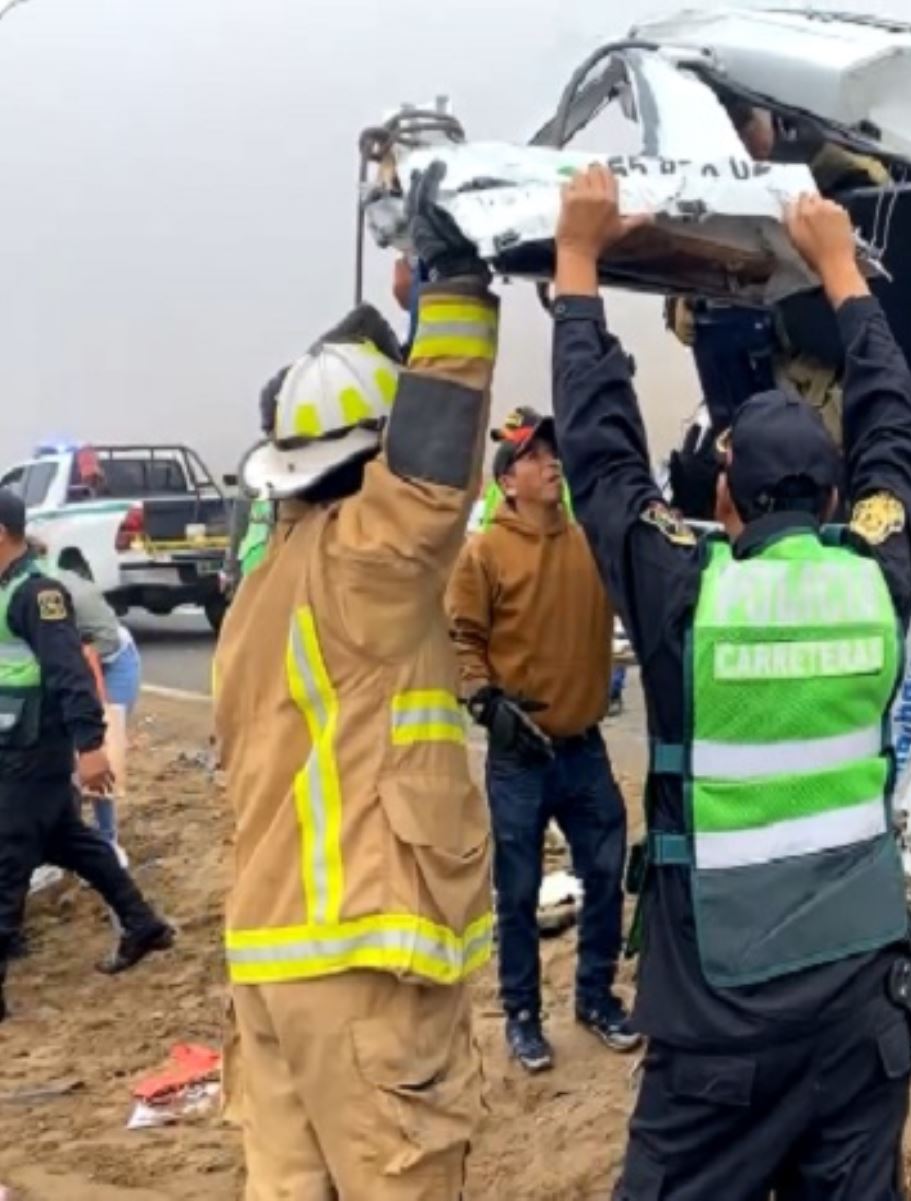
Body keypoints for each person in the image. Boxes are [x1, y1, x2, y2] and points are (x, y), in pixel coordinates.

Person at [550, 165, 911, 1201]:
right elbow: (898, 435)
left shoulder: (691, 603)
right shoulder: (875, 581)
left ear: (726, 500)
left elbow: (600, 463)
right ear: (836, 495)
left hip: (723, 1032)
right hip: (862, 1016)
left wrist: (577, 264)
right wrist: (842, 271)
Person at [212, 177, 500, 1199]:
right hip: (360, 975)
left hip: (273, 962)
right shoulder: (364, 565)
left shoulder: (265, 584)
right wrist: (459, 287)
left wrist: (398, 317)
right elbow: (430, 474)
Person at [446, 409, 638, 1071]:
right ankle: (523, 1015)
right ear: (508, 480)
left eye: (552, 453)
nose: (550, 463)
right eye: (533, 456)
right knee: (520, 887)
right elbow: (461, 639)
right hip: (519, 755)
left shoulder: (589, 543)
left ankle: (596, 995)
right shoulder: (485, 553)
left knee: (608, 871)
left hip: (583, 747)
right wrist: (484, 700)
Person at [0, 492, 175, 1023]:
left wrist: (90, 746)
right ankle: (142, 925)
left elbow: (70, 671)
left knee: (6, 857)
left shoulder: (38, 594)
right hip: (18, 742)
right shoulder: (9, 590)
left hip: (37, 748)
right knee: (67, 841)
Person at [28, 542, 139, 852]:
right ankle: (65, 839)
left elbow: (87, 656)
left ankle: (106, 841)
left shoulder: (50, 593)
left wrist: (94, 715)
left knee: (99, 750)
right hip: (74, 661)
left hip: (111, 662)